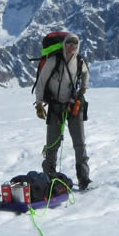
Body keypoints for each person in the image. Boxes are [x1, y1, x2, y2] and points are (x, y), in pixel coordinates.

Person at [33, 33, 91, 190]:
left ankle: (84, 178)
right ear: (64, 44)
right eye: (68, 43)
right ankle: (49, 176)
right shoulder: (54, 61)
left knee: (80, 144)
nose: (71, 47)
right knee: (52, 144)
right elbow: (41, 82)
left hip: (74, 106)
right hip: (55, 106)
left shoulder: (79, 62)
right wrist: (39, 104)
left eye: (74, 44)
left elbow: (86, 73)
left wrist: (84, 87)